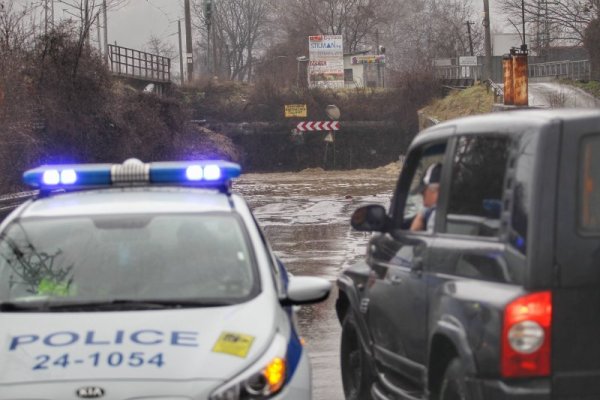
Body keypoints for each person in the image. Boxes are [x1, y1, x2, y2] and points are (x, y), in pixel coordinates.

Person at [410, 162, 442, 232]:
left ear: (435, 191)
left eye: (423, 191)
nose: (422, 195)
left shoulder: (435, 217)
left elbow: (414, 232)